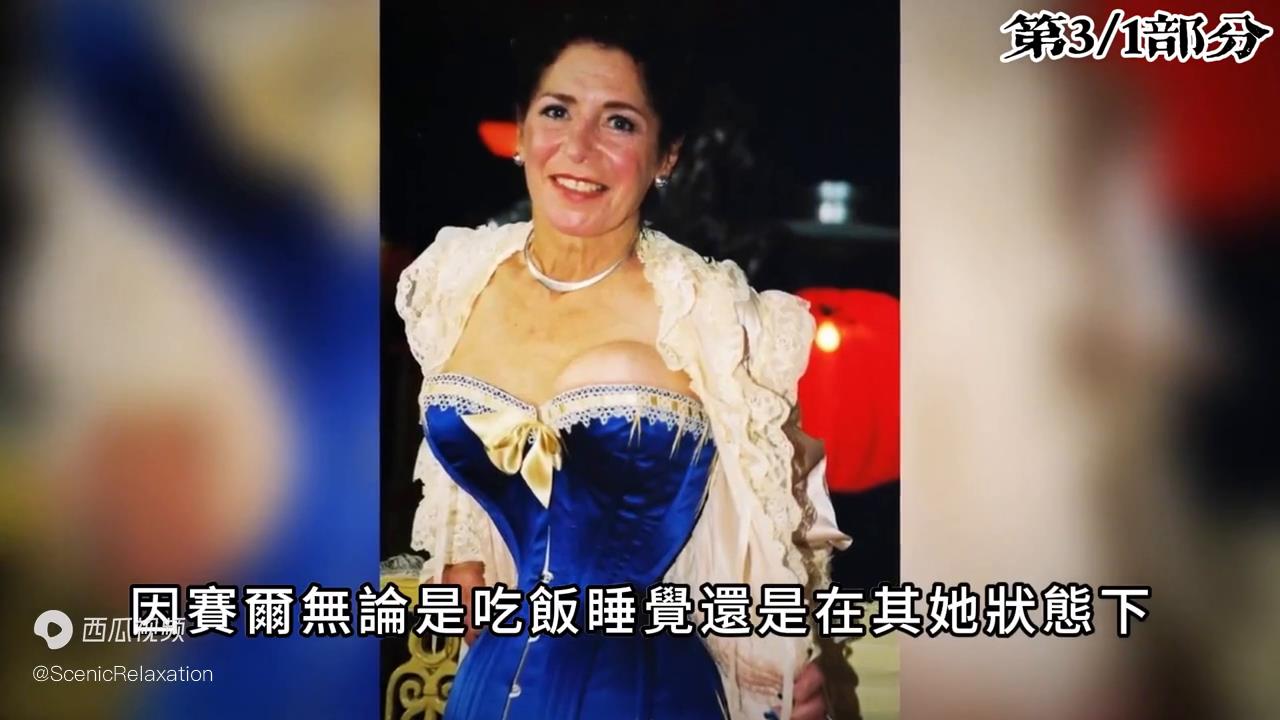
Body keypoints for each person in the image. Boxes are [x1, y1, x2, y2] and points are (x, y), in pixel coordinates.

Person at [395, 10, 850, 720]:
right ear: (521, 130)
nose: (578, 148)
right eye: (557, 111)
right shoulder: (458, 280)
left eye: (619, 122)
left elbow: (766, 515)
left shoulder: (707, 310)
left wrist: (777, 668)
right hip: (488, 688)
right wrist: (464, 557)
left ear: (666, 155)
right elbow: (459, 493)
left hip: (645, 693)